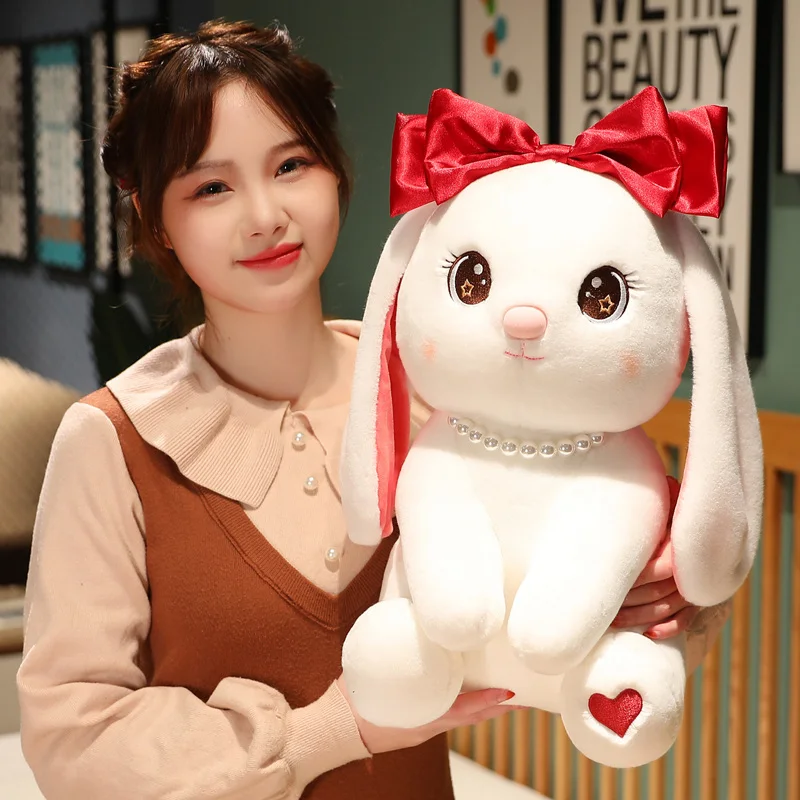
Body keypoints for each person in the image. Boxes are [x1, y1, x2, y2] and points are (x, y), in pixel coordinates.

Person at [16, 19, 727, 800]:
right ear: (157, 218)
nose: (264, 215)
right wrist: (333, 729)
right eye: (211, 187)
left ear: (335, 172)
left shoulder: (446, 393)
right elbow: (74, 741)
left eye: (291, 164)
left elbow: (595, 622)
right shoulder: (113, 440)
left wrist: (662, 604)